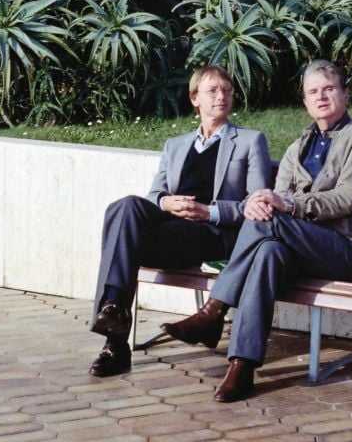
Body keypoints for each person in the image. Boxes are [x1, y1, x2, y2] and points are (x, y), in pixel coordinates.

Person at [162, 60, 352, 403]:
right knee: (267, 251)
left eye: (328, 89)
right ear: (306, 102)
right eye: (313, 92)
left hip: (343, 250)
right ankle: (242, 366)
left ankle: (214, 310)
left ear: (345, 95)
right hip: (297, 248)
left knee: (268, 219)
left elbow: (348, 198)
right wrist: (264, 202)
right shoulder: (298, 147)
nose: (321, 97)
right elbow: (275, 197)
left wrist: (284, 206)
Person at [89, 64, 272, 378]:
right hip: (171, 228)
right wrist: (165, 202)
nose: (222, 96)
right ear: (194, 99)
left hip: (211, 233)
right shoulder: (175, 145)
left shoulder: (249, 141)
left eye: (227, 90)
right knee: (124, 208)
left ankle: (115, 341)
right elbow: (154, 194)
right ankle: (114, 309)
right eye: (212, 90)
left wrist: (208, 211)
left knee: (122, 240)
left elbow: (254, 203)